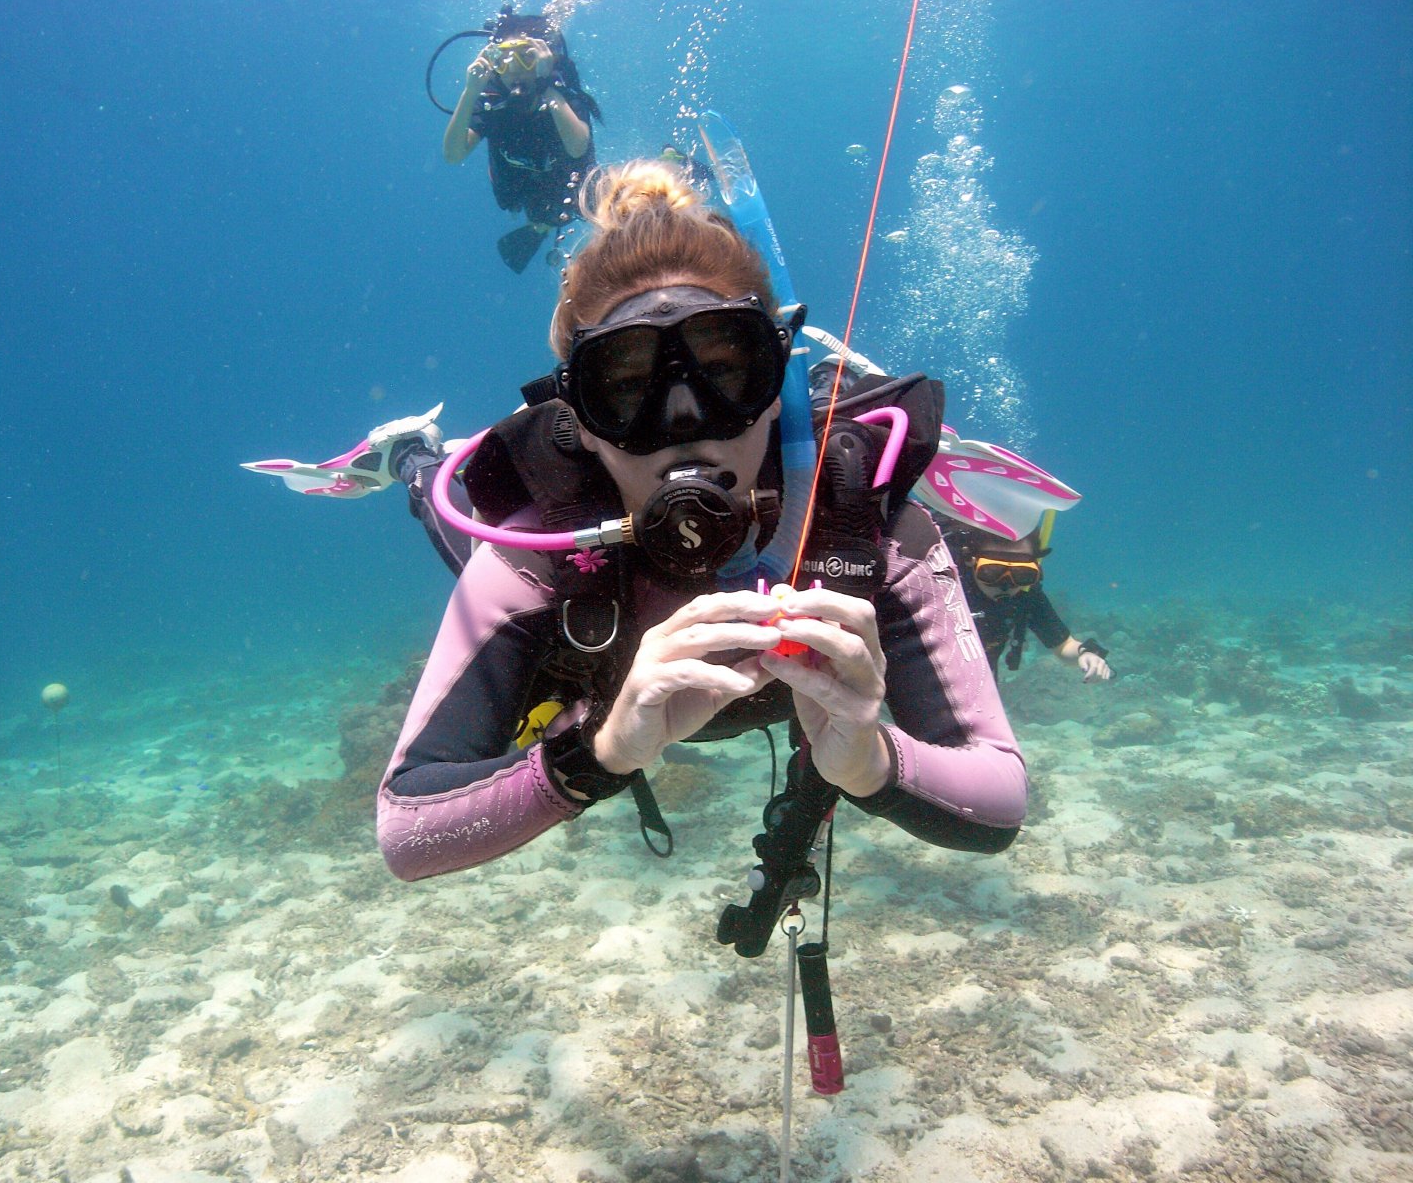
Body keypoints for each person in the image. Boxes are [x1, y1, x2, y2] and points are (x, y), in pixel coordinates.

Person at [375, 159, 1028, 908]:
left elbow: (1001, 794)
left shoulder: (861, 524)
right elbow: (405, 827)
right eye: (624, 388)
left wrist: (871, 762)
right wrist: (603, 750)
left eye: (725, 371)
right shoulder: (537, 556)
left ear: (776, 387)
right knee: (453, 527)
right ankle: (413, 460)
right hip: (588, 610)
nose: (684, 423)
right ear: (581, 425)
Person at [441, 10, 600, 273]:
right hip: (531, 197)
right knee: (541, 214)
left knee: (611, 203)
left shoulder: (561, 92)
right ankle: (541, 226)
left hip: (579, 189)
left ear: (542, 58)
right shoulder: (492, 103)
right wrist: (471, 91)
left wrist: (546, 84)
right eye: (503, 60)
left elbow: (577, 147)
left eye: (526, 58)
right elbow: (453, 154)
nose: (514, 70)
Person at [938, 517, 1113, 682]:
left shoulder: (1026, 595)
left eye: (1022, 574)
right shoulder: (938, 583)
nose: (1006, 585)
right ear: (970, 559)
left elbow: (1064, 646)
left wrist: (1086, 653)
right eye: (992, 571)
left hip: (978, 685)